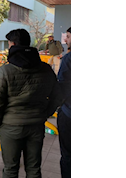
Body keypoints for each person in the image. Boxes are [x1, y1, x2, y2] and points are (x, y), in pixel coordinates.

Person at [0, 28, 62, 178]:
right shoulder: (46, 69)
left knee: (11, 169)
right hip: (36, 125)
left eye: (9, 44)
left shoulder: (6, 71)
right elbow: (57, 96)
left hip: (10, 127)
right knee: (34, 169)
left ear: (14, 44)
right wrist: (44, 114)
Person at [57, 27, 71, 178]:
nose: (66, 40)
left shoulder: (68, 59)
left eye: (68, 36)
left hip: (69, 114)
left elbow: (62, 86)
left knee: (67, 155)